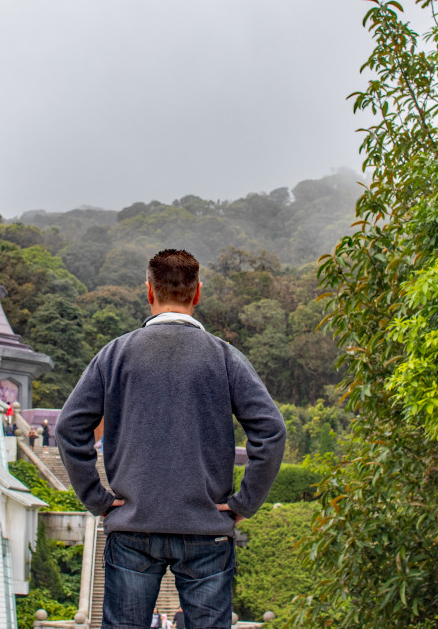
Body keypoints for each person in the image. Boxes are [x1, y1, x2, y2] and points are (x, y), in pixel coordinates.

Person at [57, 249, 286, 629]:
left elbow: (69, 428)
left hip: (131, 525)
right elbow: (271, 431)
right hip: (206, 527)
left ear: (149, 291)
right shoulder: (225, 357)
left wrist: (97, 499)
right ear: (197, 294)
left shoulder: (115, 354)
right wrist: (246, 503)